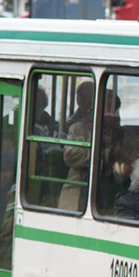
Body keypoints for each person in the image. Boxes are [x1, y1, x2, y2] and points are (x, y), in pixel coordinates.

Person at [57, 80, 95, 212]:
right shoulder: (75, 125)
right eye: (82, 97)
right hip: (77, 186)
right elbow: (69, 155)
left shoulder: (106, 125)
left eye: (88, 97)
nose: (83, 101)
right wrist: (97, 156)